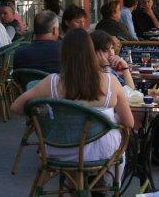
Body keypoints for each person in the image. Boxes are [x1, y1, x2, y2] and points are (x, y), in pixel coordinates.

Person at [10, 29, 134, 172]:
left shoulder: (51, 82)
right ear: (91, 52)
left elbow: (16, 107)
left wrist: (43, 115)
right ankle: (103, 184)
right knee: (113, 123)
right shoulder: (110, 81)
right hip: (102, 152)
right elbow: (129, 123)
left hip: (60, 150)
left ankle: (75, 184)